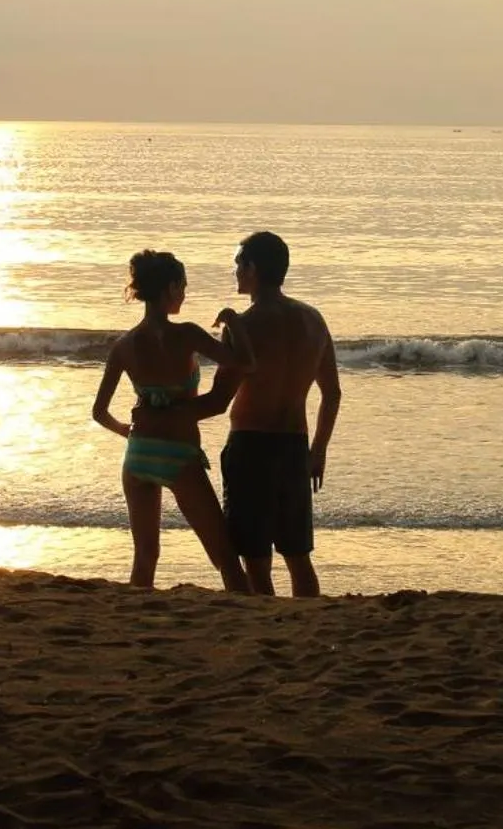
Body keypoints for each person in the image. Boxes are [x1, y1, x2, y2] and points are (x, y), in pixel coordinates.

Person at [140, 230, 339, 597]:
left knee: (256, 559)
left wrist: (164, 414)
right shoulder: (313, 320)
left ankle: (267, 623)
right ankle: (308, 621)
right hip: (295, 446)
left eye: (238, 263)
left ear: (253, 269)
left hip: (251, 447)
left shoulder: (244, 327)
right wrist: (319, 450)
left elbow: (218, 402)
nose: (234, 270)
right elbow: (332, 394)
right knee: (298, 556)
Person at [91, 248, 253, 593]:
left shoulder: (123, 345)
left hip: (138, 455)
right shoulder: (188, 334)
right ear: (169, 289)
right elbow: (245, 363)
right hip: (178, 455)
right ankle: (250, 613)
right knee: (225, 558)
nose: (184, 294)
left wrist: (126, 431)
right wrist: (234, 321)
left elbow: (99, 412)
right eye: (182, 287)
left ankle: (135, 618)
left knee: (145, 557)